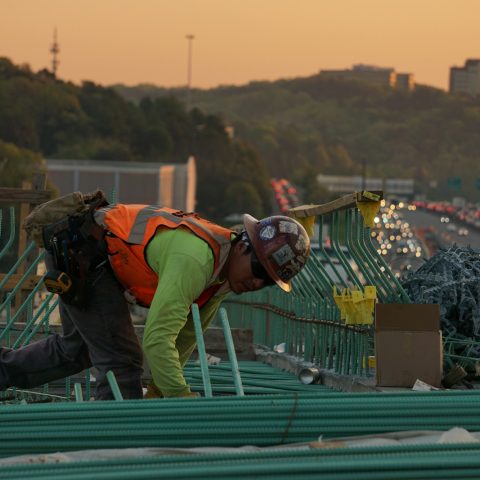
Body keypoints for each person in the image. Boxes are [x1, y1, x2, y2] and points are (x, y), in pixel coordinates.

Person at [0, 203, 310, 400]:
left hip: (89, 256)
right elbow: (158, 337)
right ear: (243, 245)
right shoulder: (197, 260)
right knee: (121, 361)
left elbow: (186, 336)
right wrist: (179, 395)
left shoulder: (222, 278)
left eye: (267, 281)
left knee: (77, 351)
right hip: (84, 255)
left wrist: (161, 391)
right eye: (258, 270)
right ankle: (113, 450)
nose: (257, 282)